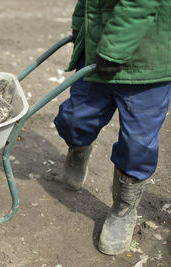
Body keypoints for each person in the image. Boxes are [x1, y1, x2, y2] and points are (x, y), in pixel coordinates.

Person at [54, 0, 171, 255]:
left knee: (137, 144)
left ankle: (123, 208)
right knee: (75, 119)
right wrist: (79, 25)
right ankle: (79, 149)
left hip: (148, 61)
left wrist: (114, 50)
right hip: (100, 51)